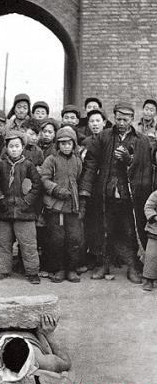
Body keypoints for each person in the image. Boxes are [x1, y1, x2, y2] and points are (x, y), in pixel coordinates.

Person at [80, 101, 152, 283]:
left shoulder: (142, 140)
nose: (121, 123)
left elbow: (145, 169)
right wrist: (85, 191)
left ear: (132, 119)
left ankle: (133, 266)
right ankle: (103, 264)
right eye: (118, 119)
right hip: (106, 193)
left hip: (129, 195)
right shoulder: (103, 137)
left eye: (125, 119)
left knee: (129, 231)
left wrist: (130, 161)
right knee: (104, 229)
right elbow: (90, 164)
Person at [0, 130, 41, 283]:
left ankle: (32, 272)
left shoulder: (28, 165)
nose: (14, 149)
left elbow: (37, 185)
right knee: (3, 242)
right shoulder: (1, 165)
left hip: (25, 212)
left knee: (28, 244)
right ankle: (2, 270)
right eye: (11, 146)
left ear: (22, 147)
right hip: (5, 211)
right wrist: (1, 198)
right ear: (6, 148)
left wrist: (27, 201)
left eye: (17, 146)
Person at [41, 127, 84, 283]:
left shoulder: (77, 161)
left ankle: (71, 269)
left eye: (69, 143)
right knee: (56, 239)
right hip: (55, 206)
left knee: (74, 239)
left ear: (74, 144)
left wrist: (79, 202)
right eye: (62, 143)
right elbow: (44, 179)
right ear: (58, 145)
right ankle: (58, 269)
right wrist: (56, 189)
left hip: (72, 206)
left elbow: (80, 180)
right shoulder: (51, 160)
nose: (66, 146)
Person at [80, 109, 107, 275]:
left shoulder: (110, 139)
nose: (95, 124)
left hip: (106, 185)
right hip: (90, 186)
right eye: (92, 122)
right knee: (91, 223)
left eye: (98, 121)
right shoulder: (86, 142)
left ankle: (105, 257)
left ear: (104, 122)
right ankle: (92, 255)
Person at [141, 189, 157, 291]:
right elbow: (148, 207)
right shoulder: (156, 194)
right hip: (155, 230)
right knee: (152, 255)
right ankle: (148, 278)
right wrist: (155, 217)